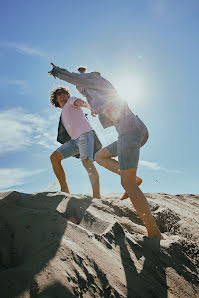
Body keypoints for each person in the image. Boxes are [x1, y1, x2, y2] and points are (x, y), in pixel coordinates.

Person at [48, 63, 162, 239]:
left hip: (129, 131)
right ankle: (134, 179)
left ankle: (154, 233)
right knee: (100, 156)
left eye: (79, 87)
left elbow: (76, 81)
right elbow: (92, 98)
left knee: (127, 183)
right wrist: (94, 108)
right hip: (133, 131)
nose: (79, 90)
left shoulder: (93, 80)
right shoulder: (94, 90)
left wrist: (57, 72)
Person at [49, 86, 101, 199]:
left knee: (87, 162)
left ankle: (97, 196)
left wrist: (90, 107)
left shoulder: (71, 101)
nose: (62, 95)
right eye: (59, 94)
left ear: (68, 95)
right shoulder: (63, 114)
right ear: (56, 100)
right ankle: (65, 190)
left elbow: (81, 102)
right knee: (54, 157)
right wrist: (72, 150)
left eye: (64, 93)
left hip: (85, 135)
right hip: (74, 141)